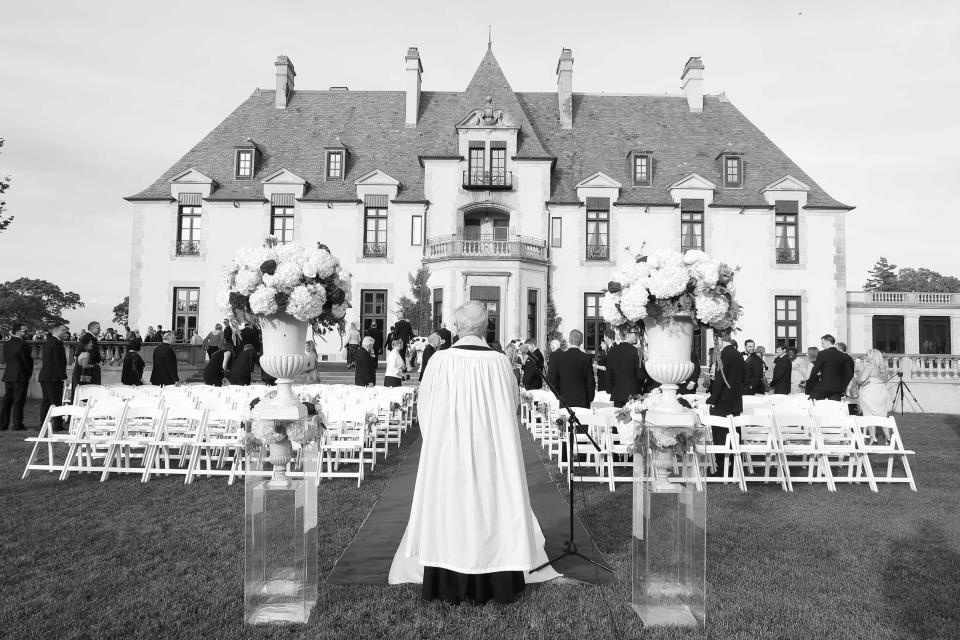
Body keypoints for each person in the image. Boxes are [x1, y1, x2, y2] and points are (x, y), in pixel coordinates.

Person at [392, 300, 550, 604]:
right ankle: (495, 579)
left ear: (456, 324)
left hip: (448, 450)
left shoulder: (439, 361)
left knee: (451, 510)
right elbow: (510, 406)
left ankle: (447, 581)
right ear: (486, 325)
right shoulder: (500, 361)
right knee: (490, 507)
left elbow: (425, 409)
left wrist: (438, 441)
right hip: (492, 451)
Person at [547, 329, 595, 408]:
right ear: (582, 341)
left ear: (569, 340)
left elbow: (552, 379)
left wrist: (558, 394)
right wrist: (589, 398)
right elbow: (590, 381)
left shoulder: (560, 358)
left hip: (565, 399)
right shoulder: (586, 358)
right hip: (582, 400)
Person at [1, 323, 34, 431]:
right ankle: (17, 424)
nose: (26, 333)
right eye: (24, 331)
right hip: (20, 375)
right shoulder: (22, 345)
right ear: (17, 332)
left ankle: (3, 424)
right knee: (18, 401)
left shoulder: (6, 343)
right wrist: (28, 373)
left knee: (7, 400)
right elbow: (26, 361)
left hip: (9, 374)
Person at [38, 324, 69, 431]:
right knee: (56, 401)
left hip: (45, 376)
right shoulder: (56, 343)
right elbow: (58, 362)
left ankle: (43, 423)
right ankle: (57, 425)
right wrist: (64, 377)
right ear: (56, 331)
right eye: (64, 331)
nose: (66, 333)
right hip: (53, 377)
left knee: (46, 401)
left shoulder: (49, 342)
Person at [856, 349, 892, 442]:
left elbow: (861, 380)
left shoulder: (869, 367)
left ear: (871, 357)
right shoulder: (883, 368)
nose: (865, 357)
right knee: (883, 415)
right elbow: (885, 380)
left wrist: (858, 378)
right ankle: (887, 436)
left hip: (869, 393)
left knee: (869, 414)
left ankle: (873, 437)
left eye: (867, 355)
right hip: (881, 393)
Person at [807, 334, 855, 401]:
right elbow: (850, 374)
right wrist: (842, 385)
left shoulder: (822, 353)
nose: (822, 345)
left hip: (823, 387)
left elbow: (815, 371)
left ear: (827, 342)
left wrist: (809, 382)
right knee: (834, 409)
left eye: (822, 343)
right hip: (837, 389)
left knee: (811, 404)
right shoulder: (843, 356)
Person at [606, 326, 645, 407]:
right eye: (635, 333)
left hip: (617, 393)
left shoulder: (612, 351)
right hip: (633, 394)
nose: (636, 336)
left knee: (619, 418)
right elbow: (640, 376)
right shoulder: (635, 351)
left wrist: (610, 389)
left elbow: (609, 373)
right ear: (628, 334)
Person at [593, 328, 615, 392]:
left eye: (604, 337)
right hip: (605, 380)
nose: (604, 339)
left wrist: (596, 366)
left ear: (607, 337)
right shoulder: (610, 350)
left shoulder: (612, 349)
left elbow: (608, 367)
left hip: (608, 382)